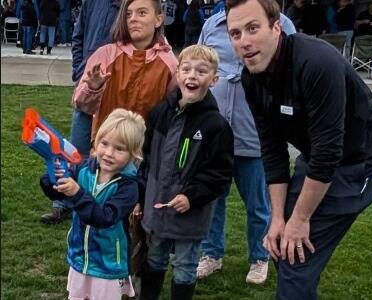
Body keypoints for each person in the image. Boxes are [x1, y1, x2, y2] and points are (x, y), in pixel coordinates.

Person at [225, 0, 372, 299]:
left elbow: (330, 152)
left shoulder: (316, 62)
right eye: (235, 34)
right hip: (317, 157)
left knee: (295, 257)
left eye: (253, 28)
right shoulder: (251, 77)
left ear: (276, 27)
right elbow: (272, 149)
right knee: (280, 245)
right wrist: (278, 219)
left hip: (361, 159)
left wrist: (300, 220)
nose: (244, 42)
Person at [195, 9, 296, 284]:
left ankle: (259, 257)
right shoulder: (211, 25)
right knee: (213, 200)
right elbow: (200, 65)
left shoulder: (280, 24)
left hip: (254, 134)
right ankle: (211, 254)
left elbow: (289, 72)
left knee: (259, 204)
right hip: (215, 136)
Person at [134, 44, 234, 300]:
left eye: (201, 71)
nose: (192, 76)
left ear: (214, 79)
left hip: (190, 216)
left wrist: (192, 196)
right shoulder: (159, 114)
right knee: (154, 258)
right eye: (186, 69)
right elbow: (146, 161)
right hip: (157, 209)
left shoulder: (216, 126)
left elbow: (219, 175)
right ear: (177, 74)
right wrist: (140, 197)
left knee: (185, 266)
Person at [39, 108, 147, 300]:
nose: (108, 153)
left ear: (133, 154)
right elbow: (58, 193)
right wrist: (53, 177)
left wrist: (77, 194)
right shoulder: (83, 169)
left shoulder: (128, 187)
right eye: (104, 143)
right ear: (96, 142)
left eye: (119, 149)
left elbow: (105, 217)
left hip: (108, 264)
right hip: (80, 256)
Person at [40, 0, 122, 224]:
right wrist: (80, 73)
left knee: (108, 151)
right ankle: (63, 202)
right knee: (73, 150)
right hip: (88, 89)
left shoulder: (133, 5)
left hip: (116, 92)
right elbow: (78, 37)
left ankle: (98, 203)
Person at [72, 0, 178, 142]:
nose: (133, 18)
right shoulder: (105, 55)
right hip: (104, 150)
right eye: (128, 14)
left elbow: (172, 111)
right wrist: (92, 88)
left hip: (143, 152)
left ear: (158, 19)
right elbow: (82, 105)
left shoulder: (169, 63)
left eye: (142, 13)